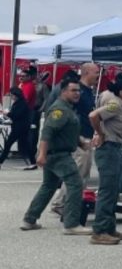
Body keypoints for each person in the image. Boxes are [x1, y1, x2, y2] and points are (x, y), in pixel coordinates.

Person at [20, 77, 92, 234]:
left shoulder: (68, 109)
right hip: (59, 155)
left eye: (78, 90)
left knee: (48, 186)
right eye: (73, 90)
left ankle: (29, 219)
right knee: (75, 184)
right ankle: (71, 224)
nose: (77, 93)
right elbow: (48, 132)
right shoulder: (60, 110)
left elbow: (66, 131)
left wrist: (82, 143)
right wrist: (41, 154)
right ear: (63, 91)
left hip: (57, 153)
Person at [87, 79, 122, 245]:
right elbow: (93, 115)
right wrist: (99, 133)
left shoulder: (121, 104)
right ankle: (99, 231)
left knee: (113, 190)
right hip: (108, 147)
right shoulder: (115, 104)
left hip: (114, 148)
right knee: (107, 191)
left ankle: (109, 227)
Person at [74, 63, 100, 185]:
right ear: (86, 73)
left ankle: (77, 201)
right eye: (96, 72)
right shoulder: (77, 91)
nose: (98, 75)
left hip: (87, 136)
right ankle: (60, 203)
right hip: (79, 137)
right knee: (77, 175)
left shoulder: (89, 91)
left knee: (84, 173)